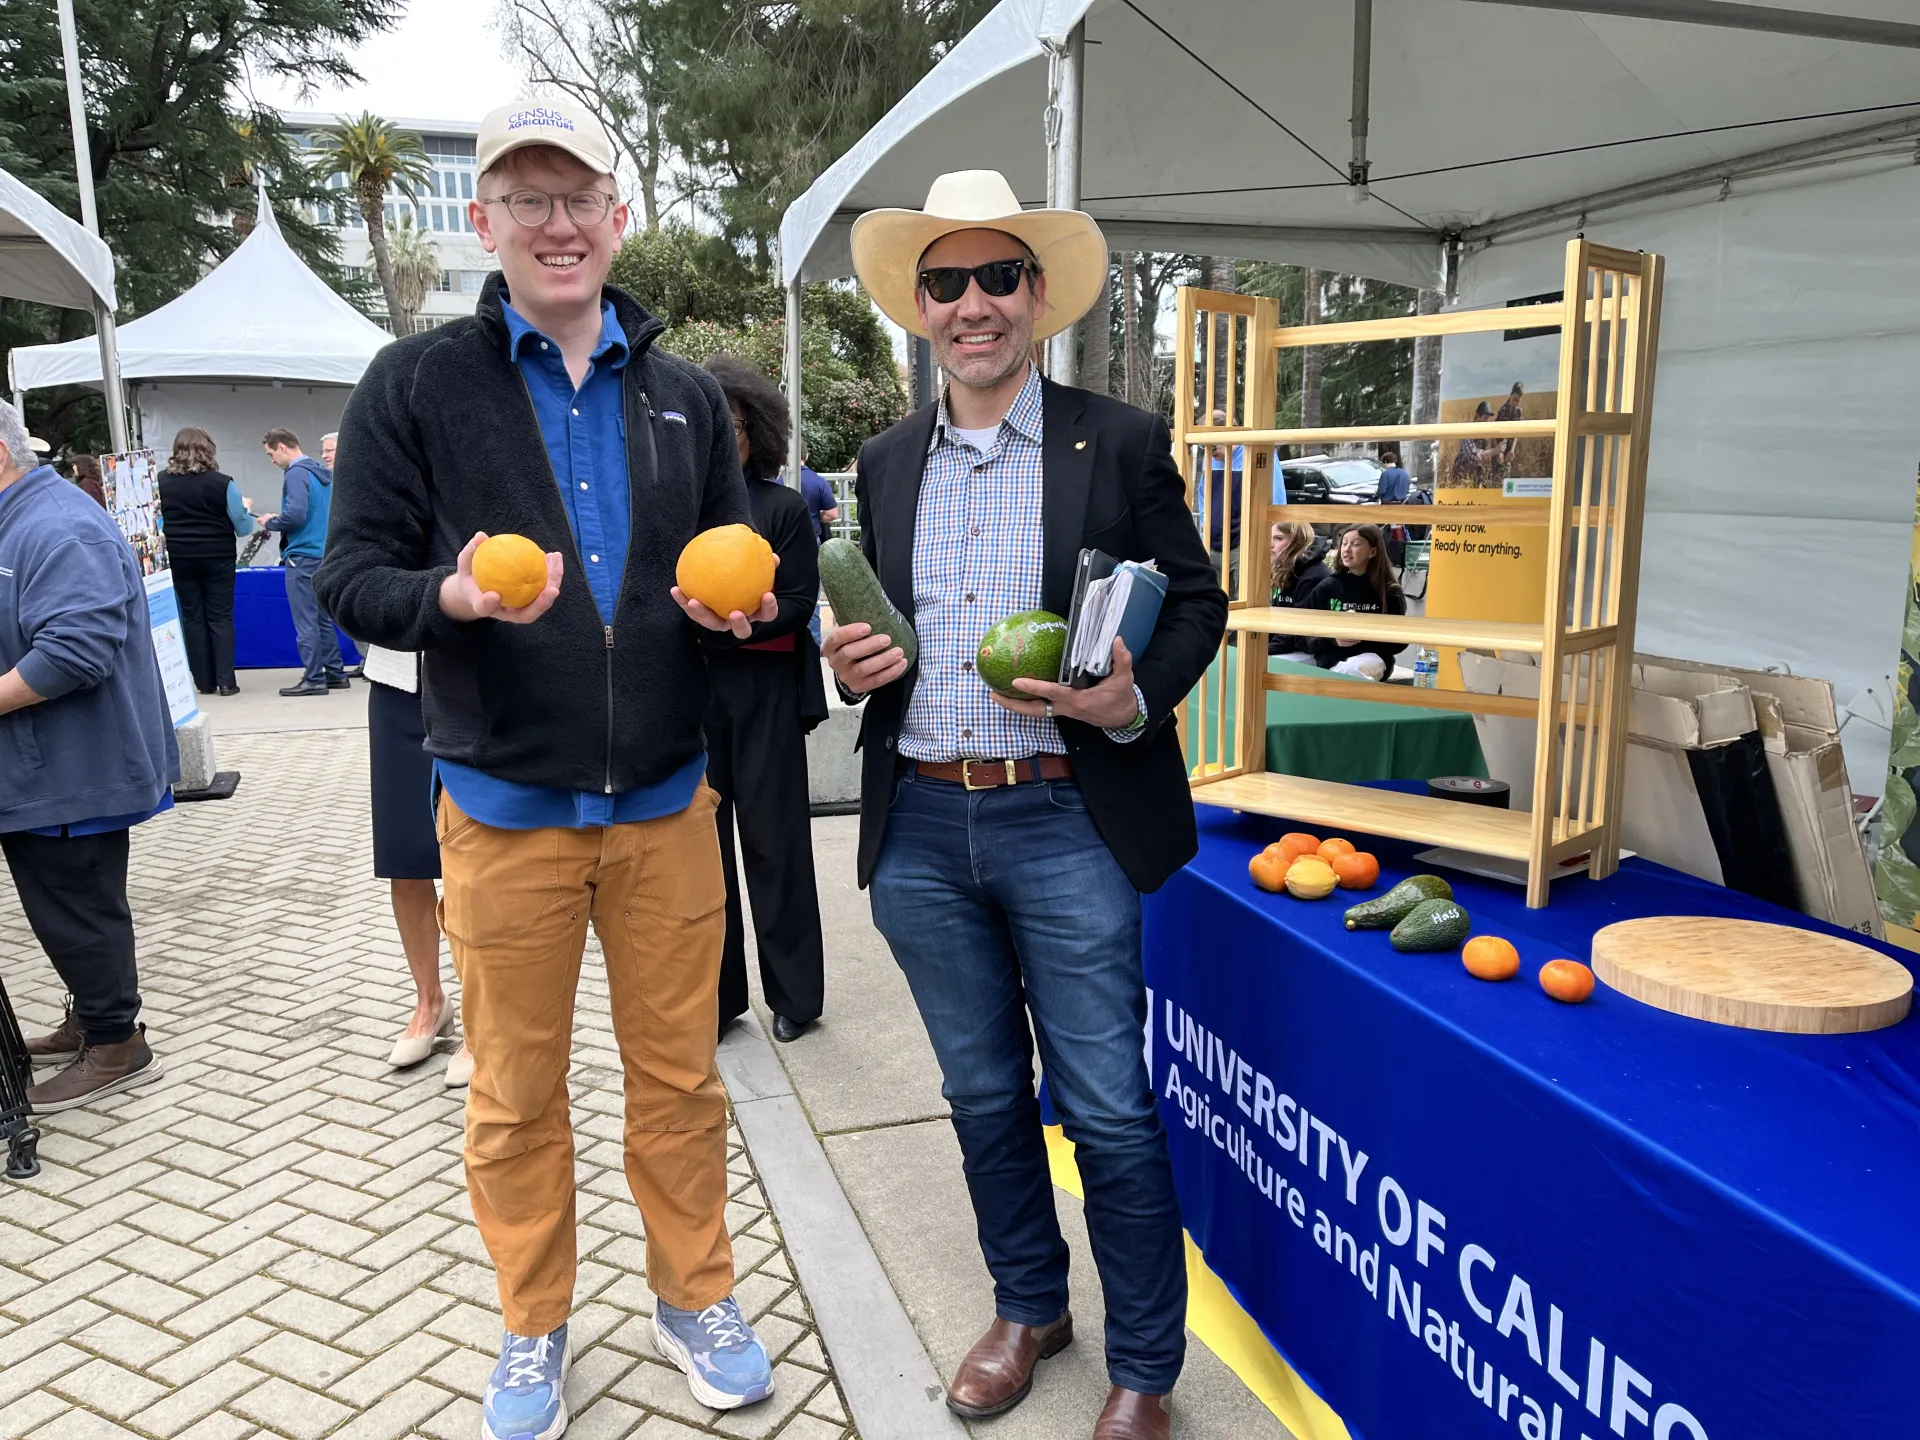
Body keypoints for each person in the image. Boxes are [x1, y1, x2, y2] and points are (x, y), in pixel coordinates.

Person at [316, 97, 778, 1440]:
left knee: (681, 1080)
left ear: (617, 216)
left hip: (665, 807)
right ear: (485, 224)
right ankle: (532, 1326)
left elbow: (735, 573)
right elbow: (349, 578)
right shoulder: (415, 385)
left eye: (579, 195)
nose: (558, 222)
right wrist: (451, 602)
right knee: (516, 1092)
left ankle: (694, 1298)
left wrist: (728, 613)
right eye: (527, 198)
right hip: (504, 808)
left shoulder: (685, 398)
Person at [824, 169, 1227, 1440]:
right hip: (926, 824)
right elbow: (861, 634)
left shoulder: (1115, 441)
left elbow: (1199, 604)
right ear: (921, 308)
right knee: (982, 1092)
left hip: (1070, 818)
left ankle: (1146, 1370)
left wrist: (1130, 701)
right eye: (947, 282)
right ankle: (1028, 1307)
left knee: (1105, 1103)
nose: (974, 304)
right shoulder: (883, 463)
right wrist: (844, 670)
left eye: (999, 277)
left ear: (1038, 298)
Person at [0, 399, 176, 1112]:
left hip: (74, 773)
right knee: (66, 906)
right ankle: (91, 1018)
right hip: (47, 772)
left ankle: (116, 1042)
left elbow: (75, 652)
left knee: (77, 906)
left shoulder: (58, 525)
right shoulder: (26, 520)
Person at [332, 422, 473, 1089]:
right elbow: (348, 577)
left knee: (474, 864)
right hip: (396, 682)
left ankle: (484, 1020)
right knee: (408, 859)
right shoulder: (376, 485)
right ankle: (429, 1001)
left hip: (476, 683)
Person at [703, 356, 830, 1043]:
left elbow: (803, 601)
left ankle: (796, 997)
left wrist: (756, 614)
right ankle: (720, 1000)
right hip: (693, 694)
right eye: (710, 426)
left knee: (776, 843)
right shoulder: (679, 504)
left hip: (767, 689)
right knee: (702, 855)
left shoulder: (782, 507)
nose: (724, 436)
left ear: (757, 431)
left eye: (735, 423)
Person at [156, 427, 255, 696]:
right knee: (220, 616)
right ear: (208, 449)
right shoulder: (223, 483)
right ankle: (226, 681)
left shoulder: (160, 482)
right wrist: (245, 507)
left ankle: (204, 681)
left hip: (179, 557)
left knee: (192, 617)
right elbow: (244, 527)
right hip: (218, 556)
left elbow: (158, 523)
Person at [258, 428, 346, 697]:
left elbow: (295, 515)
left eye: (271, 454)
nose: (272, 460)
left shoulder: (296, 474)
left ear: (283, 447)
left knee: (305, 620)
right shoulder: (322, 473)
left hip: (302, 556)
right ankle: (335, 673)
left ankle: (313, 678)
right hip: (324, 553)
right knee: (322, 618)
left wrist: (272, 522)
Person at [1302, 523, 1406, 680]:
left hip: (1372, 657)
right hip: (1331, 657)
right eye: (1344, 543)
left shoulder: (1388, 591)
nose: (1347, 549)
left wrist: (1364, 634)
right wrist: (1333, 639)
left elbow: (1399, 642)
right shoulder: (1328, 586)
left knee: (1348, 671)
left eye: (1356, 544)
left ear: (1373, 551)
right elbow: (1303, 635)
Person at [1267, 520, 1332, 661]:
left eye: (1279, 538)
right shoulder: (1283, 569)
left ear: (1297, 541)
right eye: (1269, 538)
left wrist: (1263, 650)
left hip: (1310, 650)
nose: (1270, 544)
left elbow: (1297, 630)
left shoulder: (1313, 575)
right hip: (1286, 645)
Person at [795, 446, 838, 645]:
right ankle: (813, 644)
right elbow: (832, 514)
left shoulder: (776, 480)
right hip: (810, 541)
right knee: (811, 594)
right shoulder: (818, 481)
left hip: (781, 542)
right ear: (807, 456)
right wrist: (814, 515)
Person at [1373, 447, 1413, 566]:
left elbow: (1382, 490)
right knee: (1399, 531)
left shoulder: (1385, 474)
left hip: (1388, 506)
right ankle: (1401, 553)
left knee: (1386, 532)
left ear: (1385, 462)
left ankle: (1387, 555)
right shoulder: (1404, 473)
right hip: (1401, 505)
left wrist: (1377, 493)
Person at [1453, 402, 1495, 487]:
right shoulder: (1468, 431)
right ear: (1477, 415)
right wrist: (1495, 450)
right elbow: (1473, 456)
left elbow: (1485, 460)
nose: (1487, 422)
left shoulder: (1485, 436)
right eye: (1485, 418)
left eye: (1488, 419)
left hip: (1477, 477)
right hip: (1462, 478)